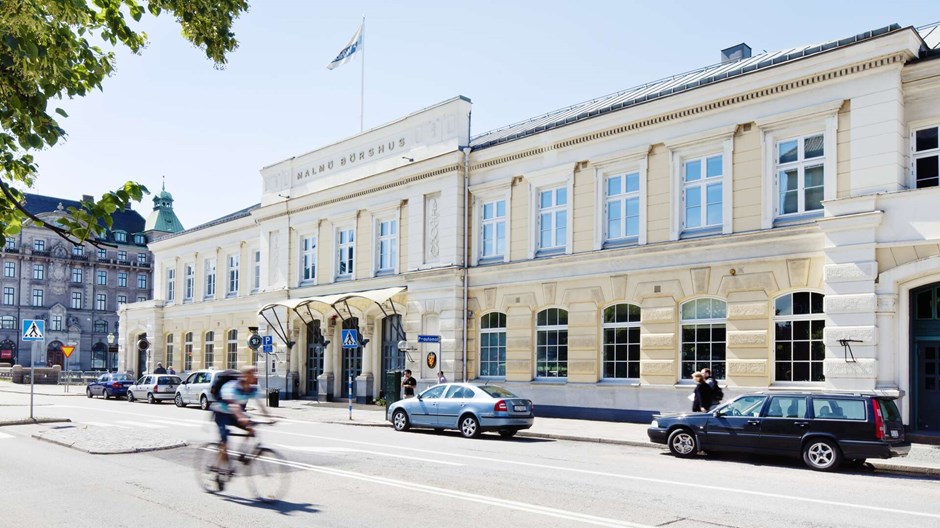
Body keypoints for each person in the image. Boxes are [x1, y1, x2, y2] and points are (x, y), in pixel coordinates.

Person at [212, 365, 271, 473]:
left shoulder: (252, 389)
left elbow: (261, 405)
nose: (255, 375)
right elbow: (233, 405)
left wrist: (270, 417)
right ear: (245, 376)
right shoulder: (231, 387)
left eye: (255, 373)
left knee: (251, 429)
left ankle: (242, 453)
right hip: (221, 413)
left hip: (234, 415)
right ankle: (217, 468)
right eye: (252, 373)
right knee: (225, 444)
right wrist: (242, 417)